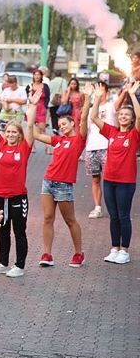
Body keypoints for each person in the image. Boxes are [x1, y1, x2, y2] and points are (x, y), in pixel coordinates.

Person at [34, 82, 91, 268]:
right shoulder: (58, 140)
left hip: (64, 184)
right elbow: (35, 135)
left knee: (69, 220)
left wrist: (89, 98)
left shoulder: (78, 140)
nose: (62, 127)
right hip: (48, 181)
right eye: (59, 125)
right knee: (48, 218)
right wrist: (33, 106)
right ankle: (47, 254)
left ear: (72, 123)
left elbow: (83, 118)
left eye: (65, 124)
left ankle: (78, 253)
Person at [0, 89, 40, 278]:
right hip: (0, 196)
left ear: (19, 135)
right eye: (7, 131)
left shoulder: (24, 147)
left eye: (13, 132)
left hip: (18, 196)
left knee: (19, 231)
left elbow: (31, 124)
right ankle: (2, 262)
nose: (9, 135)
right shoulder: (0, 145)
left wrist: (32, 105)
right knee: (2, 231)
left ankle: (19, 265)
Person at [93, 81, 140, 265]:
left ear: (131, 118)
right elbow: (94, 118)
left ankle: (125, 251)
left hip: (126, 182)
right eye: (121, 114)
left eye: (127, 114)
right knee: (113, 216)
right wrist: (96, 98)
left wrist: (133, 95)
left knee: (123, 215)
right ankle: (114, 248)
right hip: (109, 180)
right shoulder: (111, 131)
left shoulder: (134, 134)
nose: (123, 116)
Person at [85, 82, 121, 219]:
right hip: (92, 147)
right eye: (96, 90)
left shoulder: (111, 106)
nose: (98, 92)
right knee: (95, 178)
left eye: (101, 90)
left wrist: (126, 89)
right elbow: (86, 126)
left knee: (110, 178)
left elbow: (120, 102)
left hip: (107, 147)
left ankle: (115, 207)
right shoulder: (91, 109)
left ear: (106, 91)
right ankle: (97, 207)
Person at [26, 69, 51, 153]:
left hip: (41, 108)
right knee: (31, 127)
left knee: (42, 128)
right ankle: (32, 146)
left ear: (41, 76)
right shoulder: (29, 86)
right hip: (32, 108)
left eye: (38, 75)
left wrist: (46, 109)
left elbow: (47, 98)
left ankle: (47, 147)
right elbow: (27, 98)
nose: (37, 76)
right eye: (35, 75)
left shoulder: (45, 86)